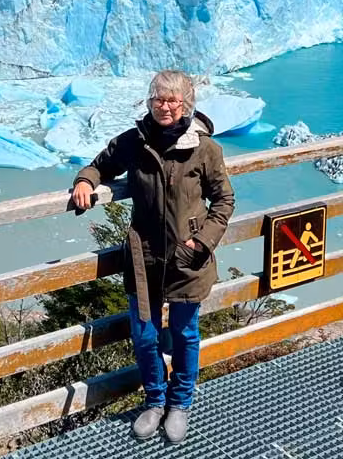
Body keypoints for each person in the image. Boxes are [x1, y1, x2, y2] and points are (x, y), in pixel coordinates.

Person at [71, 69, 235, 444]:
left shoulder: (205, 149)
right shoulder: (135, 141)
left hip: (187, 258)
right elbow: (101, 164)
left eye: (172, 100)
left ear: (186, 105)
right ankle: (155, 401)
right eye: (158, 99)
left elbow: (224, 199)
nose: (164, 106)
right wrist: (85, 181)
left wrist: (202, 242)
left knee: (185, 333)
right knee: (145, 335)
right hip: (143, 257)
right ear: (150, 102)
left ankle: (180, 404)